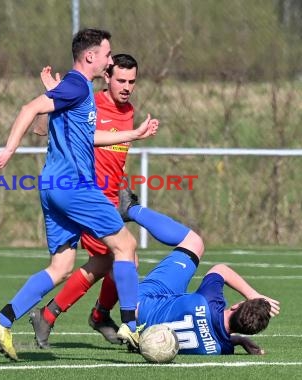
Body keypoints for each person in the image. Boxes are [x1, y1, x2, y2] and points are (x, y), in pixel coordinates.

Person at [0, 29, 159, 361]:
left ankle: (3, 320)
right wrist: (9, 150)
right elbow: (29, 108)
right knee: (126, 246)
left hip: (52, 188)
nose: (110, 61)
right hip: (76, 186)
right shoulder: (79, 84)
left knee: (63, 265)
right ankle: (131, 325)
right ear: (91, 57)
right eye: (107, 55)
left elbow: (87, 136)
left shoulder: (79, 91)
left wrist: (134, 134)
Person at [28, 54, 204, 350]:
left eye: (132, 81)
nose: (126, 87)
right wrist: (52, 98)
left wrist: (120, 186)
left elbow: (112, 154)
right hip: (86, 199)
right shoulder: (88, 101)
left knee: (102, 263)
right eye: (120, 80)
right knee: (126, 257)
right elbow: (41, 130)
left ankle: (53, 315)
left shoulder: (129, 110)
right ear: (106, 77)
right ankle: (113, 320)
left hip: (110, 199)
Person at [135, 253, 280, 355]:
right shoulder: (220, 349)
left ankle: (131, 211)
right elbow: (215, 337)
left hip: (138, 306)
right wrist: (240, 340)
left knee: (194, 242)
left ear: (236, 306)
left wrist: (252, 295)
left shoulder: (209, 299)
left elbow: (220, 269)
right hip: (145, 337)